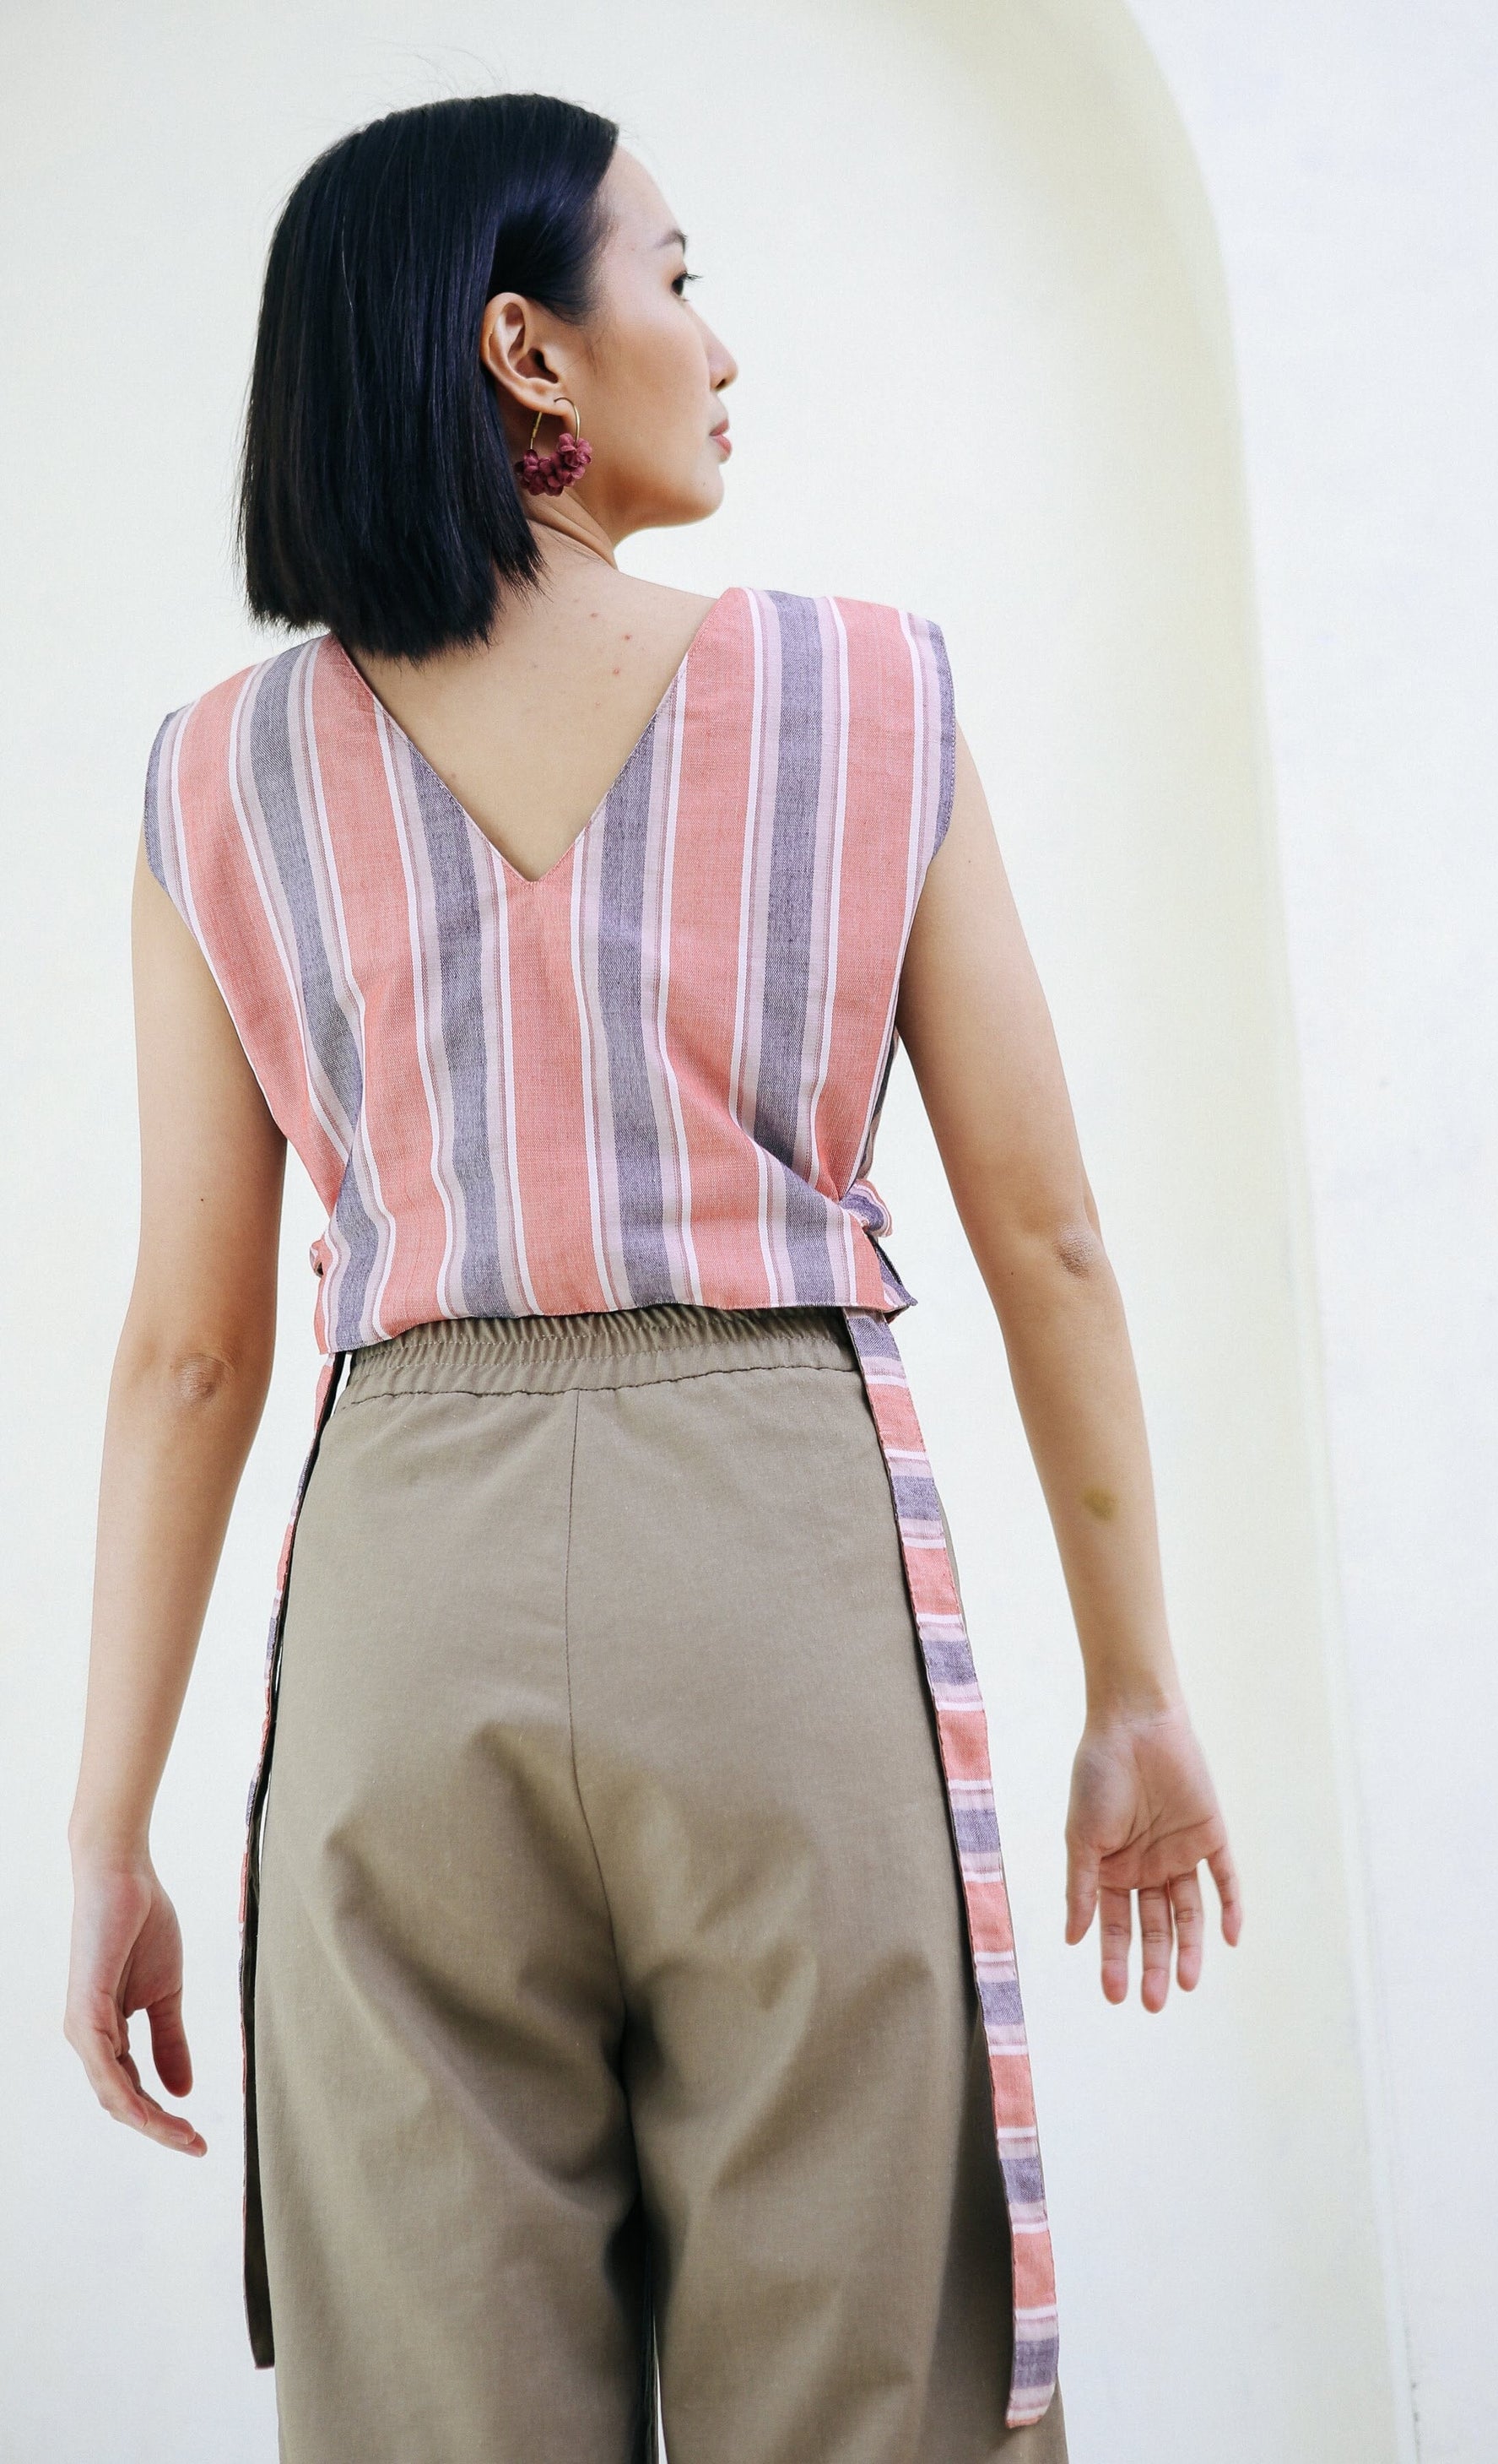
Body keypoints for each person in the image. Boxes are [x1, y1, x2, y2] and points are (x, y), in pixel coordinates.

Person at [62, 92, 1241, 2464]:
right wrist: (1133, 1687)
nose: (716, 342)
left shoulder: (214, 779)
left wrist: (108, 1829)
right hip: (776, 1565)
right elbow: (1049, 1235)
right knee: (863, 2382)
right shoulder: (870, 698)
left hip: (403, 1601)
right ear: (528, 350)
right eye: (675, 279)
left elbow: (192, 1352)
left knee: (433, 2400)